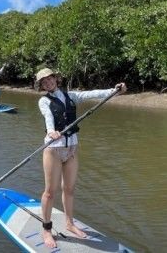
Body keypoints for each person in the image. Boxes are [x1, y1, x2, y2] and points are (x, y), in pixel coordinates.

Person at [34, 68, 126, 249]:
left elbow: (92, 94)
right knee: (50, 192)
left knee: (69, 189)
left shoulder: (71, 96)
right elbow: (48, 117)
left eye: (49, 79)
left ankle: (69, 223)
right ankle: (46, 229)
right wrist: (51, 132)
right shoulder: (44, 100)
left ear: (55, 79)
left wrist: (114, 91)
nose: (48, 83)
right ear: (42, 86)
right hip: (53, 149)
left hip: (72, 149)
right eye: (43, 82)